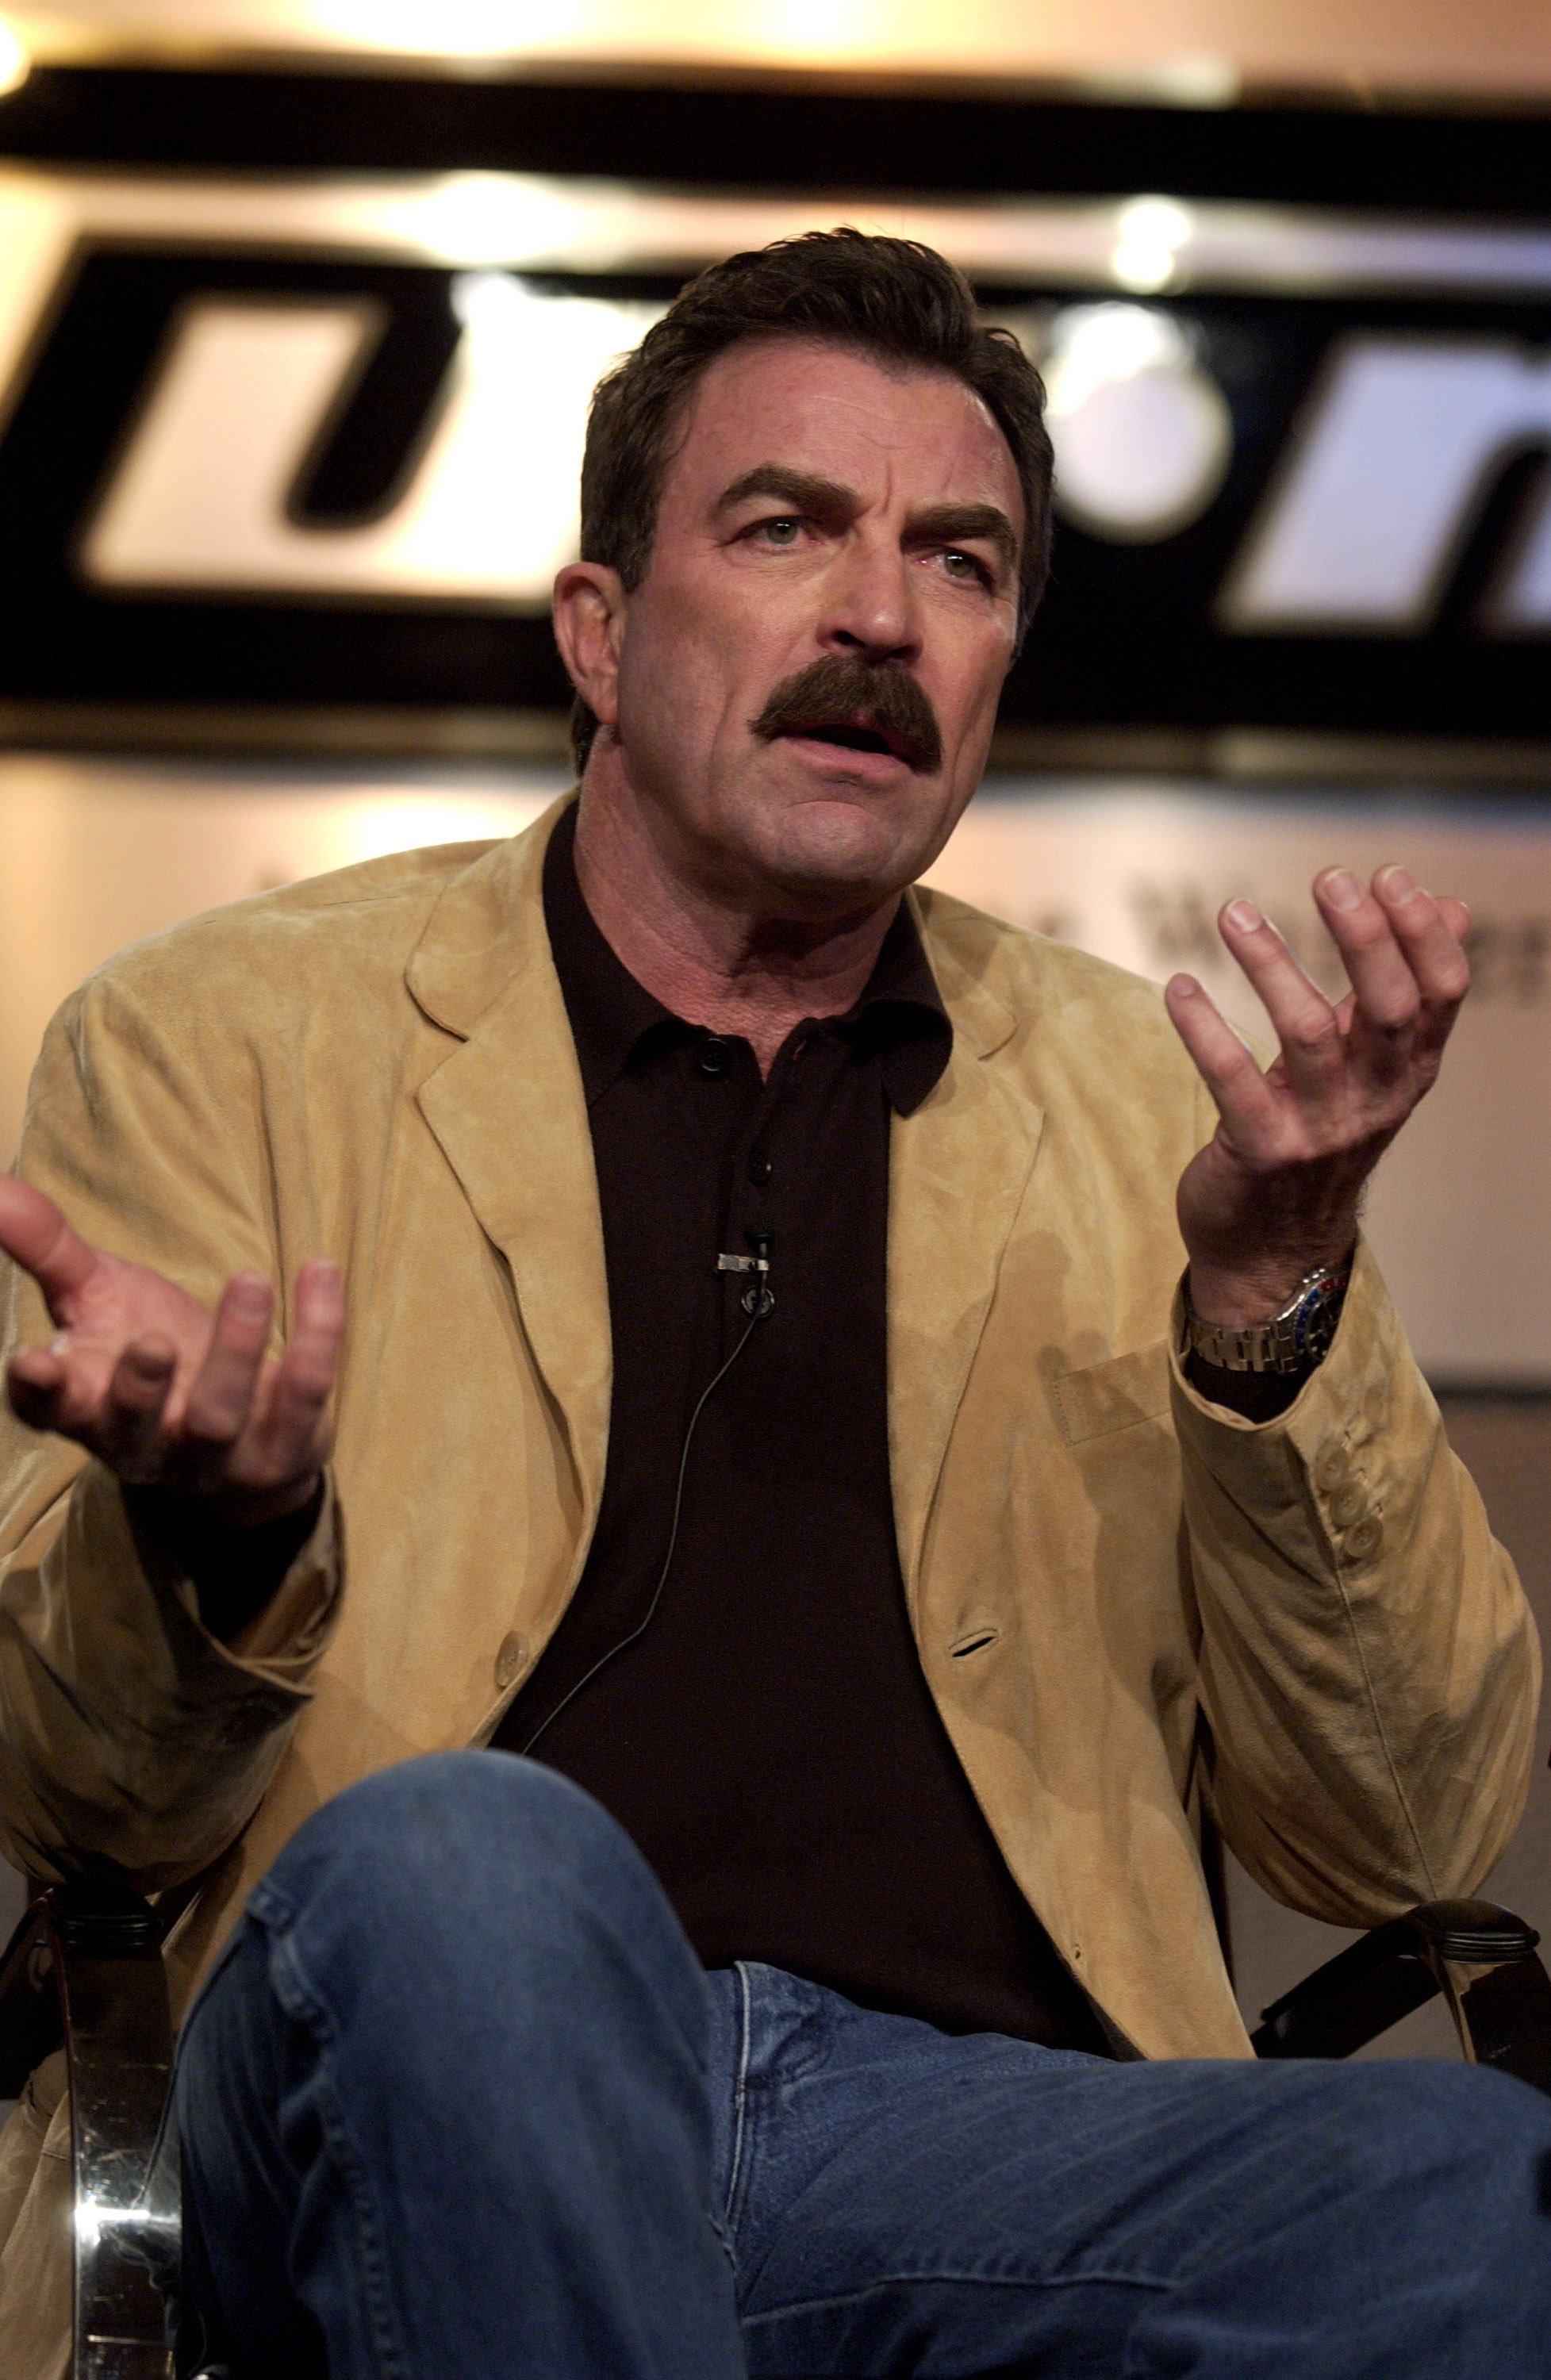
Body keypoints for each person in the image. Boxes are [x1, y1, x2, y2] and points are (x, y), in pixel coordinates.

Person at [0, 229, 1544, 2379]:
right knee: (465, 1865)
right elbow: (74, 1800)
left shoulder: (1151, 1107)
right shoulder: (228, 1041)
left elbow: (1403, 1836)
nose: (878, 618)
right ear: (599, 635)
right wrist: (221, 1536)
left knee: (1478, 2192)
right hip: (410, 2067)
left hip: (963, 2149)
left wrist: (1269, 1311)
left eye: (963, 561)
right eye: (784, 526)